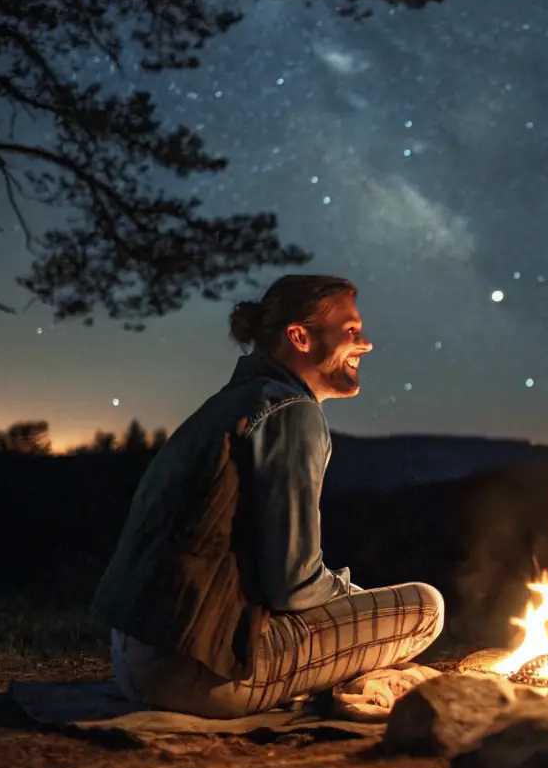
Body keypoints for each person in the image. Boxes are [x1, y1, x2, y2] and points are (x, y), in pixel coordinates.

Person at [92, 275, 444, 719]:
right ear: (299, 336)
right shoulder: (292, 412)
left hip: (138, 662)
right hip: (204, 674)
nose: (367, 344)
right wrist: (349, 592)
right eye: (351, 331)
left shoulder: (232, 404)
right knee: (427, 607)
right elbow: (294, 584)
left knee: (358, 608)